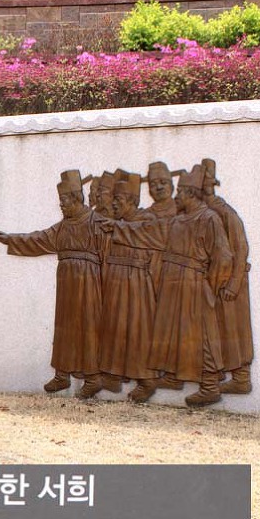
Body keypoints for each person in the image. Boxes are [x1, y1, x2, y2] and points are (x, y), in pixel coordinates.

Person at [100, 164, 233, 407]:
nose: (176, 196)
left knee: (203, 335)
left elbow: (223, 256)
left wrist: (211, 286)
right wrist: (118, 227)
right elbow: (147, 233)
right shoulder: (177, 221)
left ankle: (210, 387)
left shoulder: (209, 219)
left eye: (180, 191)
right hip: (174, 282)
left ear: (191, 194)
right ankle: (173, 376)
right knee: (172, 332)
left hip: (194, 283)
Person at [0, 169, 105, 398]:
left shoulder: (96, 221)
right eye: (60, 200)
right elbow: (39, 239)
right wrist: (10, 239)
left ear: (76, 198)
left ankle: (93, 378)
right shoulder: (63, 226)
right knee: (64, 326)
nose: (61, 204)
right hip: (67, 281)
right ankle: (62, 375)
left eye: (64, 200)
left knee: (89, 326)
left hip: (89, 281)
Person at [99, 172, 161, 403]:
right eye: (113, 199)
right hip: (116, 282)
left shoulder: (147, 219)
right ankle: (114, 375)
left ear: (133, 201)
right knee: (115, 328)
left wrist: (117, 228)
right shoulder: (118, 223)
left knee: (138, 331)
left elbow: (147, 235)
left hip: (137, 284)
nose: (114, 203)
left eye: (119, 199)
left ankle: (147, 380)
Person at [202, 158, 254, 394]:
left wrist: (233, 284)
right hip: (212, 281)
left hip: (231, 283)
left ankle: (241, 378)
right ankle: (217, 374)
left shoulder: (225, 213)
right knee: (217, 331)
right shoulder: (201, 212)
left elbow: (241, 249)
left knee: (234, 330)